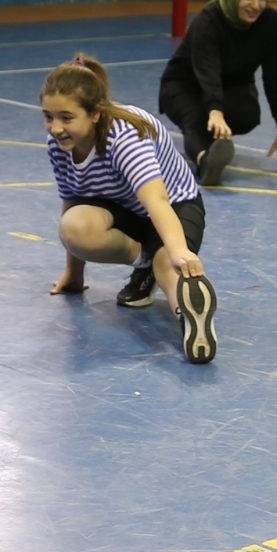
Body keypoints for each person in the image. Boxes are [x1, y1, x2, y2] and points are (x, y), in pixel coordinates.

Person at [38, 53, 218, 364]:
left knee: (170, 269)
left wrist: (177, 251)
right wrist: (74, 272)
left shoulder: (124, 136)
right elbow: (72, 200)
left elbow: (157, 201)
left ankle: (190, 320)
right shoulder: (58, 146)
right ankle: (146, 262)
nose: (55, 128)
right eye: (48, 116)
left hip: (173, 207)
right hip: (120, 211)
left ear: (94, 113)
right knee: (74, 226)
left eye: (66, 118)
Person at [159, 0, 277, 186]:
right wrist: (215, 110)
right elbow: (208, 69)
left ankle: (214, 135)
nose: (256, 5)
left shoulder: (270, 23)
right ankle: (205, 163)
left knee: (248, 115)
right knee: (194, 117)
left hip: (230, 85)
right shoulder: (208, 21)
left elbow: (276, 78)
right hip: (184, 84)